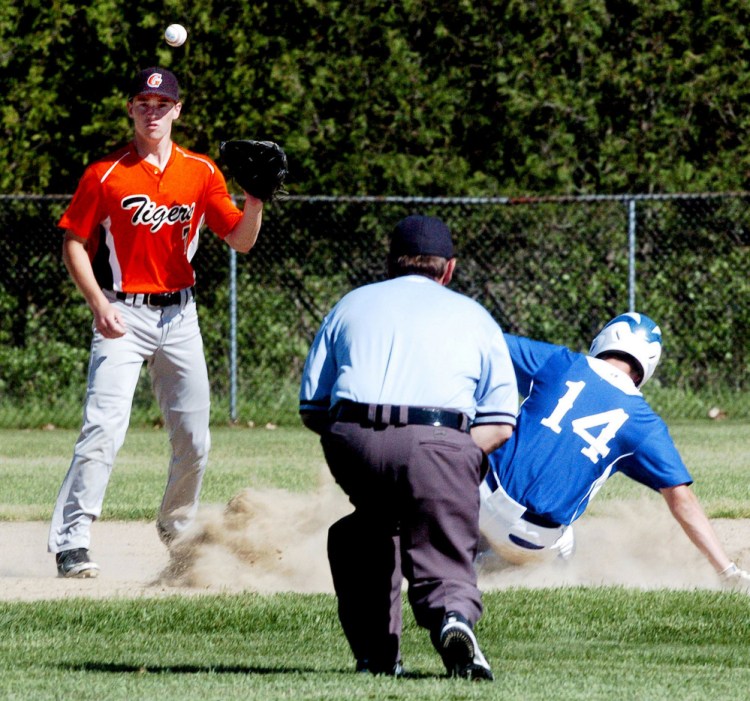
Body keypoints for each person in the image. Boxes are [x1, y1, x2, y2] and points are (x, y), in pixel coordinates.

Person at [48, 67, 265, 578]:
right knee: (102, 428)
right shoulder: (104, 174)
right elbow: (73, 243)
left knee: (194, 437)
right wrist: (99, 303)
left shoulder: (202, 171)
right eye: (143, 102)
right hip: (123, 311)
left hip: (181, 315)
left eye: (162, 103)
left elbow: (241, 240)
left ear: (177, 110)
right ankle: (72, 540)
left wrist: (254, 199)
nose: (153, 111)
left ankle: (177, 527)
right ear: (130, 109)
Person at [299, 214, 518, 680]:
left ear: (389, 264)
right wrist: (450, 456)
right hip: (439, 438)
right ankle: (453, 617)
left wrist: (366, 444)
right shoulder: (474, 316)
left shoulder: (351, 304)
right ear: (448, 268)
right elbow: (500, 424)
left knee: (367, 531)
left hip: (353, 436)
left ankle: (377, 655)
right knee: (441, 539)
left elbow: (313, 407)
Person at [478, 312, 750, 590]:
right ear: (649, 364)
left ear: (603, 339)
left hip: (475, 498)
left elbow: (484, 343)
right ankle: (490, 565)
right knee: (566, 548)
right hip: (532, 540)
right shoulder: (643, 422)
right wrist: (726, 570)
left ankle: (457, 543)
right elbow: (683, 500)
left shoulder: (559, 363)